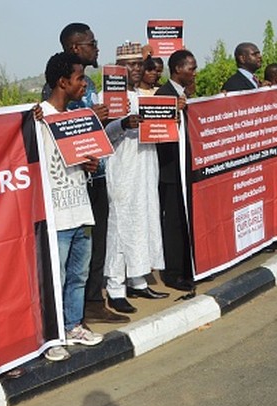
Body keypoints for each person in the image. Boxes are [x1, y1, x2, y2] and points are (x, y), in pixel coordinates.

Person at [43, 23, 115, 320]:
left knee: (83, 267)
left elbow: (78, 150)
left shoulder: (85, 95)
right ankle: (59, 326)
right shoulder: (44, 111)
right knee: (60, 273)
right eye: (91, 42)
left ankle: (79, 318)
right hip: (61, 207)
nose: (96, 47)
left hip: (86, 190)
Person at [40, 52, 104, 361]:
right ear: (63, 82)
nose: (84, 83)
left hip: (81, 208)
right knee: (57, 277)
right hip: (56, 215)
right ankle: (52, 337)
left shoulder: (79, 117)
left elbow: (83, 156)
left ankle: (73, 325)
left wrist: (88, 165)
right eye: (80, 78)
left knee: (79, 275)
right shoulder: (37, 117)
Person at [103, 42, 168, 315]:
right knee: (120, 227)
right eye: (131, 65)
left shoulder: (145, 96)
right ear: (119, 69)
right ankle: (116, 287)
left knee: (144, 221)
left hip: (145, 166)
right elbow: (101, 133)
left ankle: (138, 279)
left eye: (140, 64)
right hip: (122, 171)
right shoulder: (106, 96)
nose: (137, 70)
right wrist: (121, 125)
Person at [156, 49, 198, 292]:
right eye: (191, 68)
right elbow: (159, 135)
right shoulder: (163, 96)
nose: (194, 72)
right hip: (170, 172)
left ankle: (187, 267)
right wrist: (175, 114)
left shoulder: (185, 95)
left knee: (185, 222)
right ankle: (173, 273)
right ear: (178, 69)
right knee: (173, 224)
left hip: (185, 170)